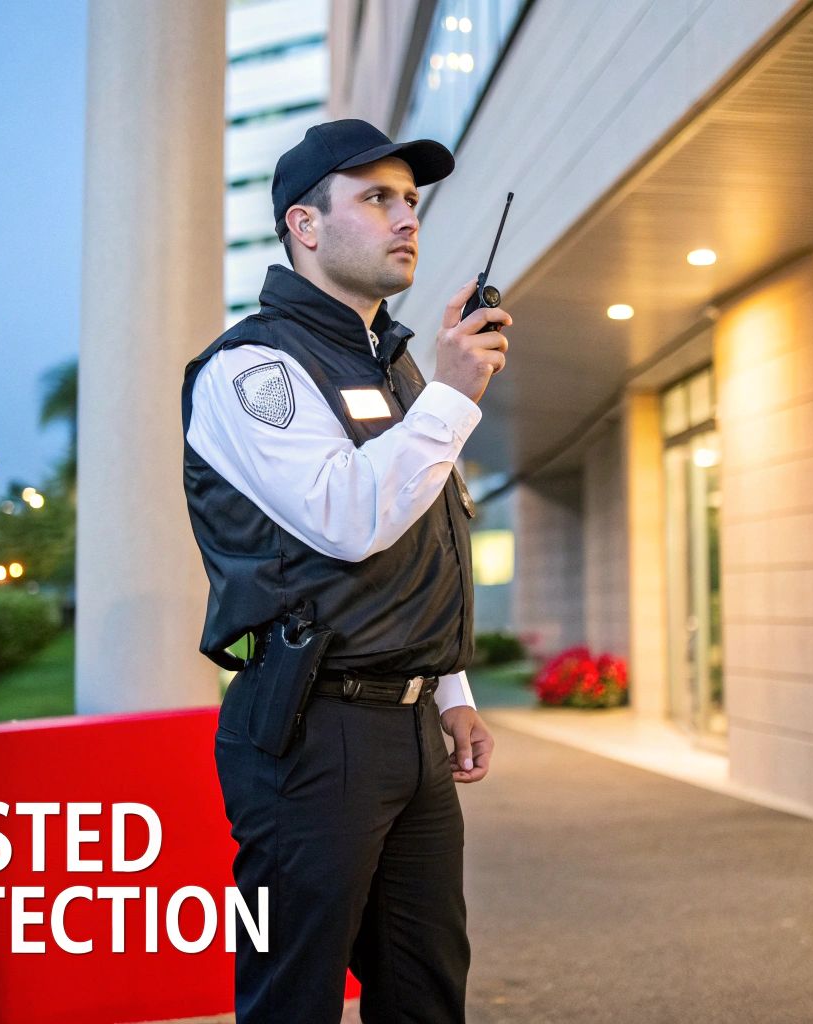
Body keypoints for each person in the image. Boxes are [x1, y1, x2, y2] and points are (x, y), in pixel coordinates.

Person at [180, 118, 507, 1023]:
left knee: (425, 992)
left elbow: (421, 544)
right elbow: (347, 519)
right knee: (296, 998)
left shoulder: (397, 364)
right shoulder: (251, 368)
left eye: (410, 199)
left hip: (408, 734)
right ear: (305, 226)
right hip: (309, 730)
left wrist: (450, 692)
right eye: (376, 198)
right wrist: (447, 395)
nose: (408, 217)